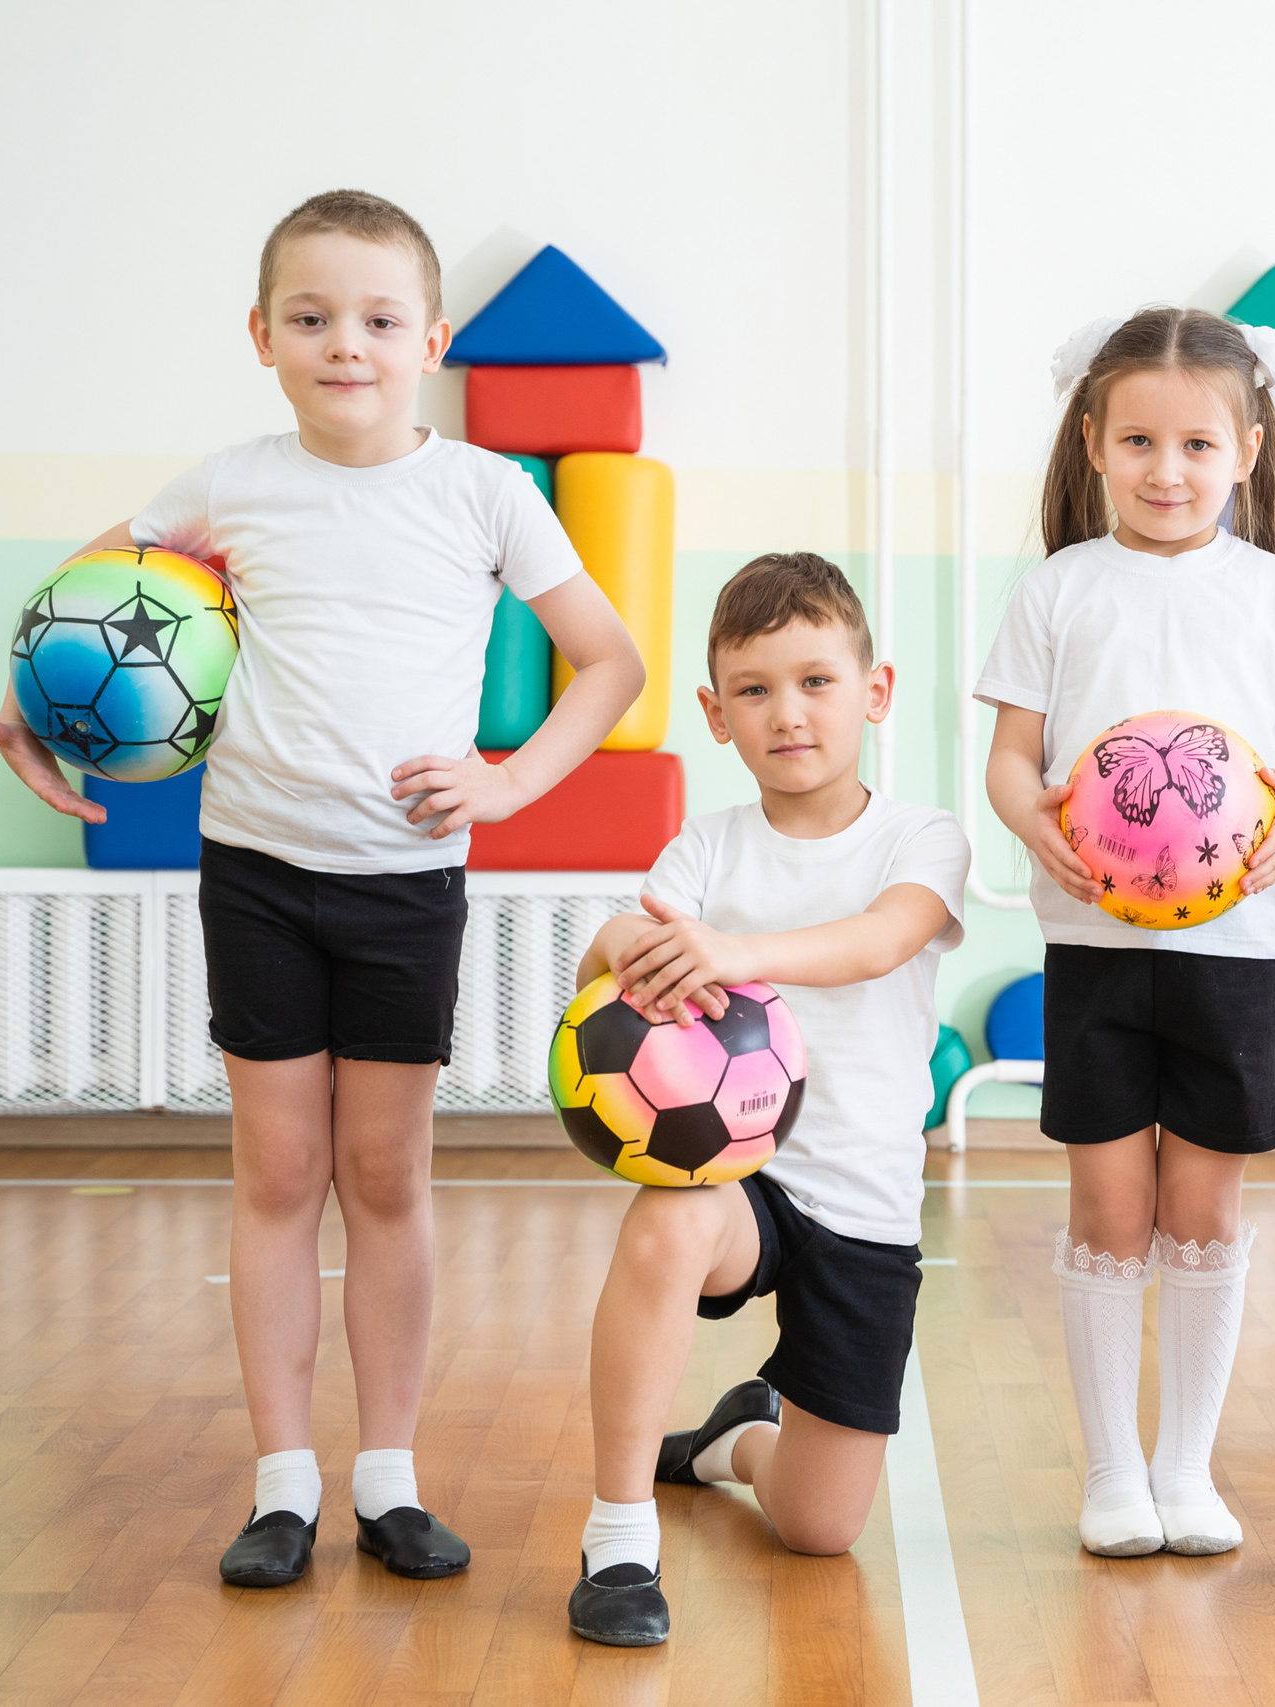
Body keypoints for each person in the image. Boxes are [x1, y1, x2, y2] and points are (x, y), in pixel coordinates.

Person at [0, 190, 646, 1588]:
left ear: (433, 338)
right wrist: (32, 714)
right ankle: (283, 1480)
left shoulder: (484, 491)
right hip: (262, 875)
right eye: (313, 317)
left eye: (381, 319)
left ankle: (387, 1476)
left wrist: (510, 783)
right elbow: (86, 607)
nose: (348, 343)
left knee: (386, 1174)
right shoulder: (229, 483)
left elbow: (610, 662)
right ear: (262, 336)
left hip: (408, 882)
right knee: (280, 1172)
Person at [978, 307, 1275, 1558]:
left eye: (1197, 444)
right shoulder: (1058, 588)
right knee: (1108, 1207)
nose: (1166, 470)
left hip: (1235, 949)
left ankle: (1184, 1472)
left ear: (1247, 449)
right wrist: (1036, 825)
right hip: (1096, 948)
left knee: (1202, 1211)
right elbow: (1010, 761)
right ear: (1092, 440)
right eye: (1137, 440)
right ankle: (1111, 1475)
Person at [565, 553, 968, 1647]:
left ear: (874, 692)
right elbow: (612, 938)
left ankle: (730, 1439)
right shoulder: (708, 846)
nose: (786, 713)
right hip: (742, 1179)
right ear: (714, 714)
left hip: (864, 1207)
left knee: (817, 1528)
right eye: (753, 690)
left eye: (815, 682)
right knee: (666, 1220)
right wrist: (631, 946)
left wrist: (733, 953)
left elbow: (879, 940)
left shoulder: (920, 838)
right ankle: (617, 1536)